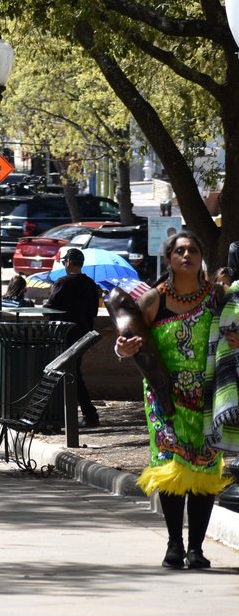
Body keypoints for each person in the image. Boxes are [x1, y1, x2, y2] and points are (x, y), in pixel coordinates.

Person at [116, 231, 228, 569]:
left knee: (206, 468)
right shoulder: (154, 300)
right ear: (169, 259)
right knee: (171, 467)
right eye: (180, 251)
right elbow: (129, 340)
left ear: (201, 257)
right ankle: (174, 544)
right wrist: (122, 350)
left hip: (207, 395)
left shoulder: (217, 298)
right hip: (165, 397)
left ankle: (196, 548)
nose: (187, 255)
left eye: (193, 249)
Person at [47, 248, 102, 427]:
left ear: (68, 262)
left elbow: (50, 307)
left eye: (64, 262)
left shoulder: (62, 283)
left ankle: (87, 413)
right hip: (84, 335)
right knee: (72, 372)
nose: (64, 264)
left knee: (70, 374)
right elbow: (93, 311)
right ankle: (84, 413)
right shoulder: (91, 285)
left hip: (65, 334)